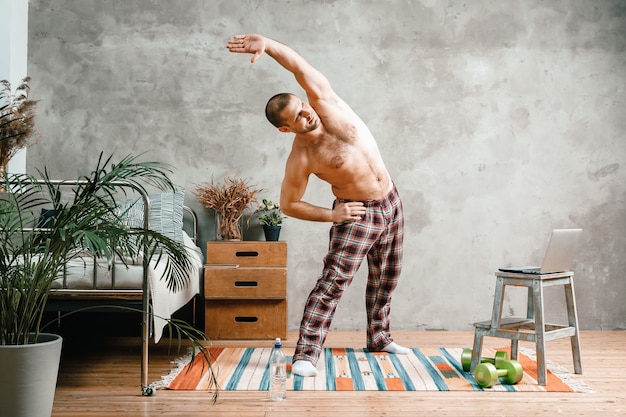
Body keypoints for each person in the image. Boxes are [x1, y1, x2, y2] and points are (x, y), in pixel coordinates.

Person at [227, 34, 409, 377]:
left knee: (387, 276)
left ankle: (380, 337)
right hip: (358, 211)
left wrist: (267, 44)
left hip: (392, 200)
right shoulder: (302, 157)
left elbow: (298, 66)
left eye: (303, 106)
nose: (307, 114)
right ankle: (306, 355)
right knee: (333, 283)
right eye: (297, 116)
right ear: (285, 128)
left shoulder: (326, 103)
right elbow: (288, 203)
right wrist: (332, 214)